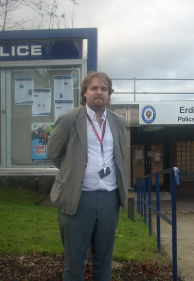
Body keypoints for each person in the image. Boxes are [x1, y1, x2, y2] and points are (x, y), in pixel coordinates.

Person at [47, 71, 128, 281]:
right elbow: (53, 153)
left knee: (104, 260)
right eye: (94, 88)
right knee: (74, 263)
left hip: (110, 199)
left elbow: (118, 155)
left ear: (109, 94)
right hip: (78, 199)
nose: (99, 92)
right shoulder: (69, 119)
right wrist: (71, 171)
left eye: (103, 89)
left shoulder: (118, 122)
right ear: (85, 93)